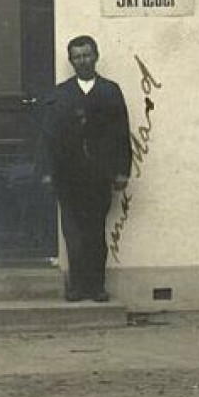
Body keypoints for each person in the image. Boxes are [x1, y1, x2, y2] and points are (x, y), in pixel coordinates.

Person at [38, 35, 131, 303]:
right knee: (73, 233)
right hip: (68, 176)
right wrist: (47, 171)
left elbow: (121, 132)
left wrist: (122, 171)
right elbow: (49, 135)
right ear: (71, 61)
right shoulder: (60, 93)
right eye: (77, 57)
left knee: (95, 232)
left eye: (87, 55)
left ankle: (96, 286)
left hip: (99, 175)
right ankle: (77, 287)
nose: (82, 61)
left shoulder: (110, 91)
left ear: (96, 56)